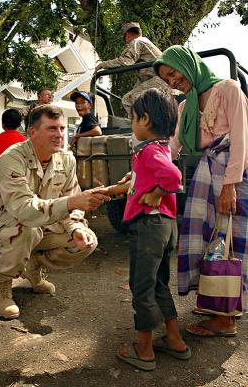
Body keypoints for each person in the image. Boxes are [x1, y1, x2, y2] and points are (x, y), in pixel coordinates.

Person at [0, 105, 110, 319]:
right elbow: (23, 210)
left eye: (62, 128)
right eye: (51, 129)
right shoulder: (12, 158)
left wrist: (75, 227)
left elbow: (70, 203)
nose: (59, 135)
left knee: (86, 240)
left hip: (39, 222)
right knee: (27, 230)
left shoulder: (66, 160)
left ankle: (34, 267)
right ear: (32, 132)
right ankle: (1, 286)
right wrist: (71, 202)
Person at [153, 45, 248, 337]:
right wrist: (150, 167)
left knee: (230, 242)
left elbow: (241, 139)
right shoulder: (185, 106)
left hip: (233, 177)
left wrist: (230, 187)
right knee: (205, 242)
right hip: (207, 175)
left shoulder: (228, 88)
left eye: (173, 73)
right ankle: (214, 303)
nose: (173, 82)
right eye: (167, 80)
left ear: (188, 63)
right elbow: (173, 145)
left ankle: (225, 318)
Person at [103, 89, 191, 371]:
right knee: (160, 283)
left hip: (149, 225)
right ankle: (175, 340)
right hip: (165, 227)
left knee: (141, 286)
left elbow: (174, 176)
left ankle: (144, 349)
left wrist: (155, 193)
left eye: (133, 118)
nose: (132, 123)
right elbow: (151, 175)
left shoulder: (150, 150)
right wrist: (126, 184)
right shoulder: (161, 147)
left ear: (145, 118)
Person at [95, 22, 170, 116]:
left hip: (159, 80)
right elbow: (142, 80)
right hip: (161, 80)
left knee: (128, 100)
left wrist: (103, 64)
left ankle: (144, 128)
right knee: (134, 95)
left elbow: (126, 61)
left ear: (127, 35)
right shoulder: (145, 41)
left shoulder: (136, 42)